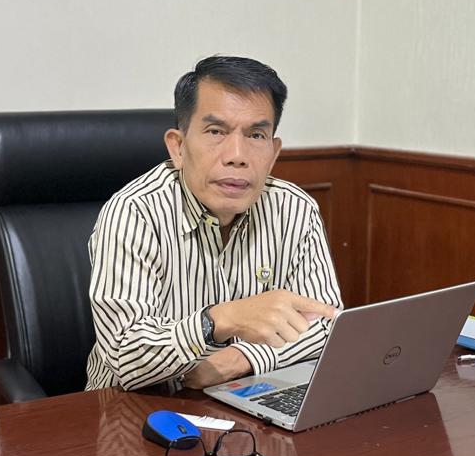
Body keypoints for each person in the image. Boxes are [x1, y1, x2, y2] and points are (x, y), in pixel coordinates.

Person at [86, 56, 342, 392]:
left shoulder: (295, 208)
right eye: (216, 131)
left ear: (273, 153)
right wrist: (221, 320)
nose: (237, 155)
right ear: (178, 147)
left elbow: (327, 326)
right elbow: (125, 356)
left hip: (247, 396)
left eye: (256, 135)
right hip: (132, 408)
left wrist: (244, 357)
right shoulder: (134, 212)